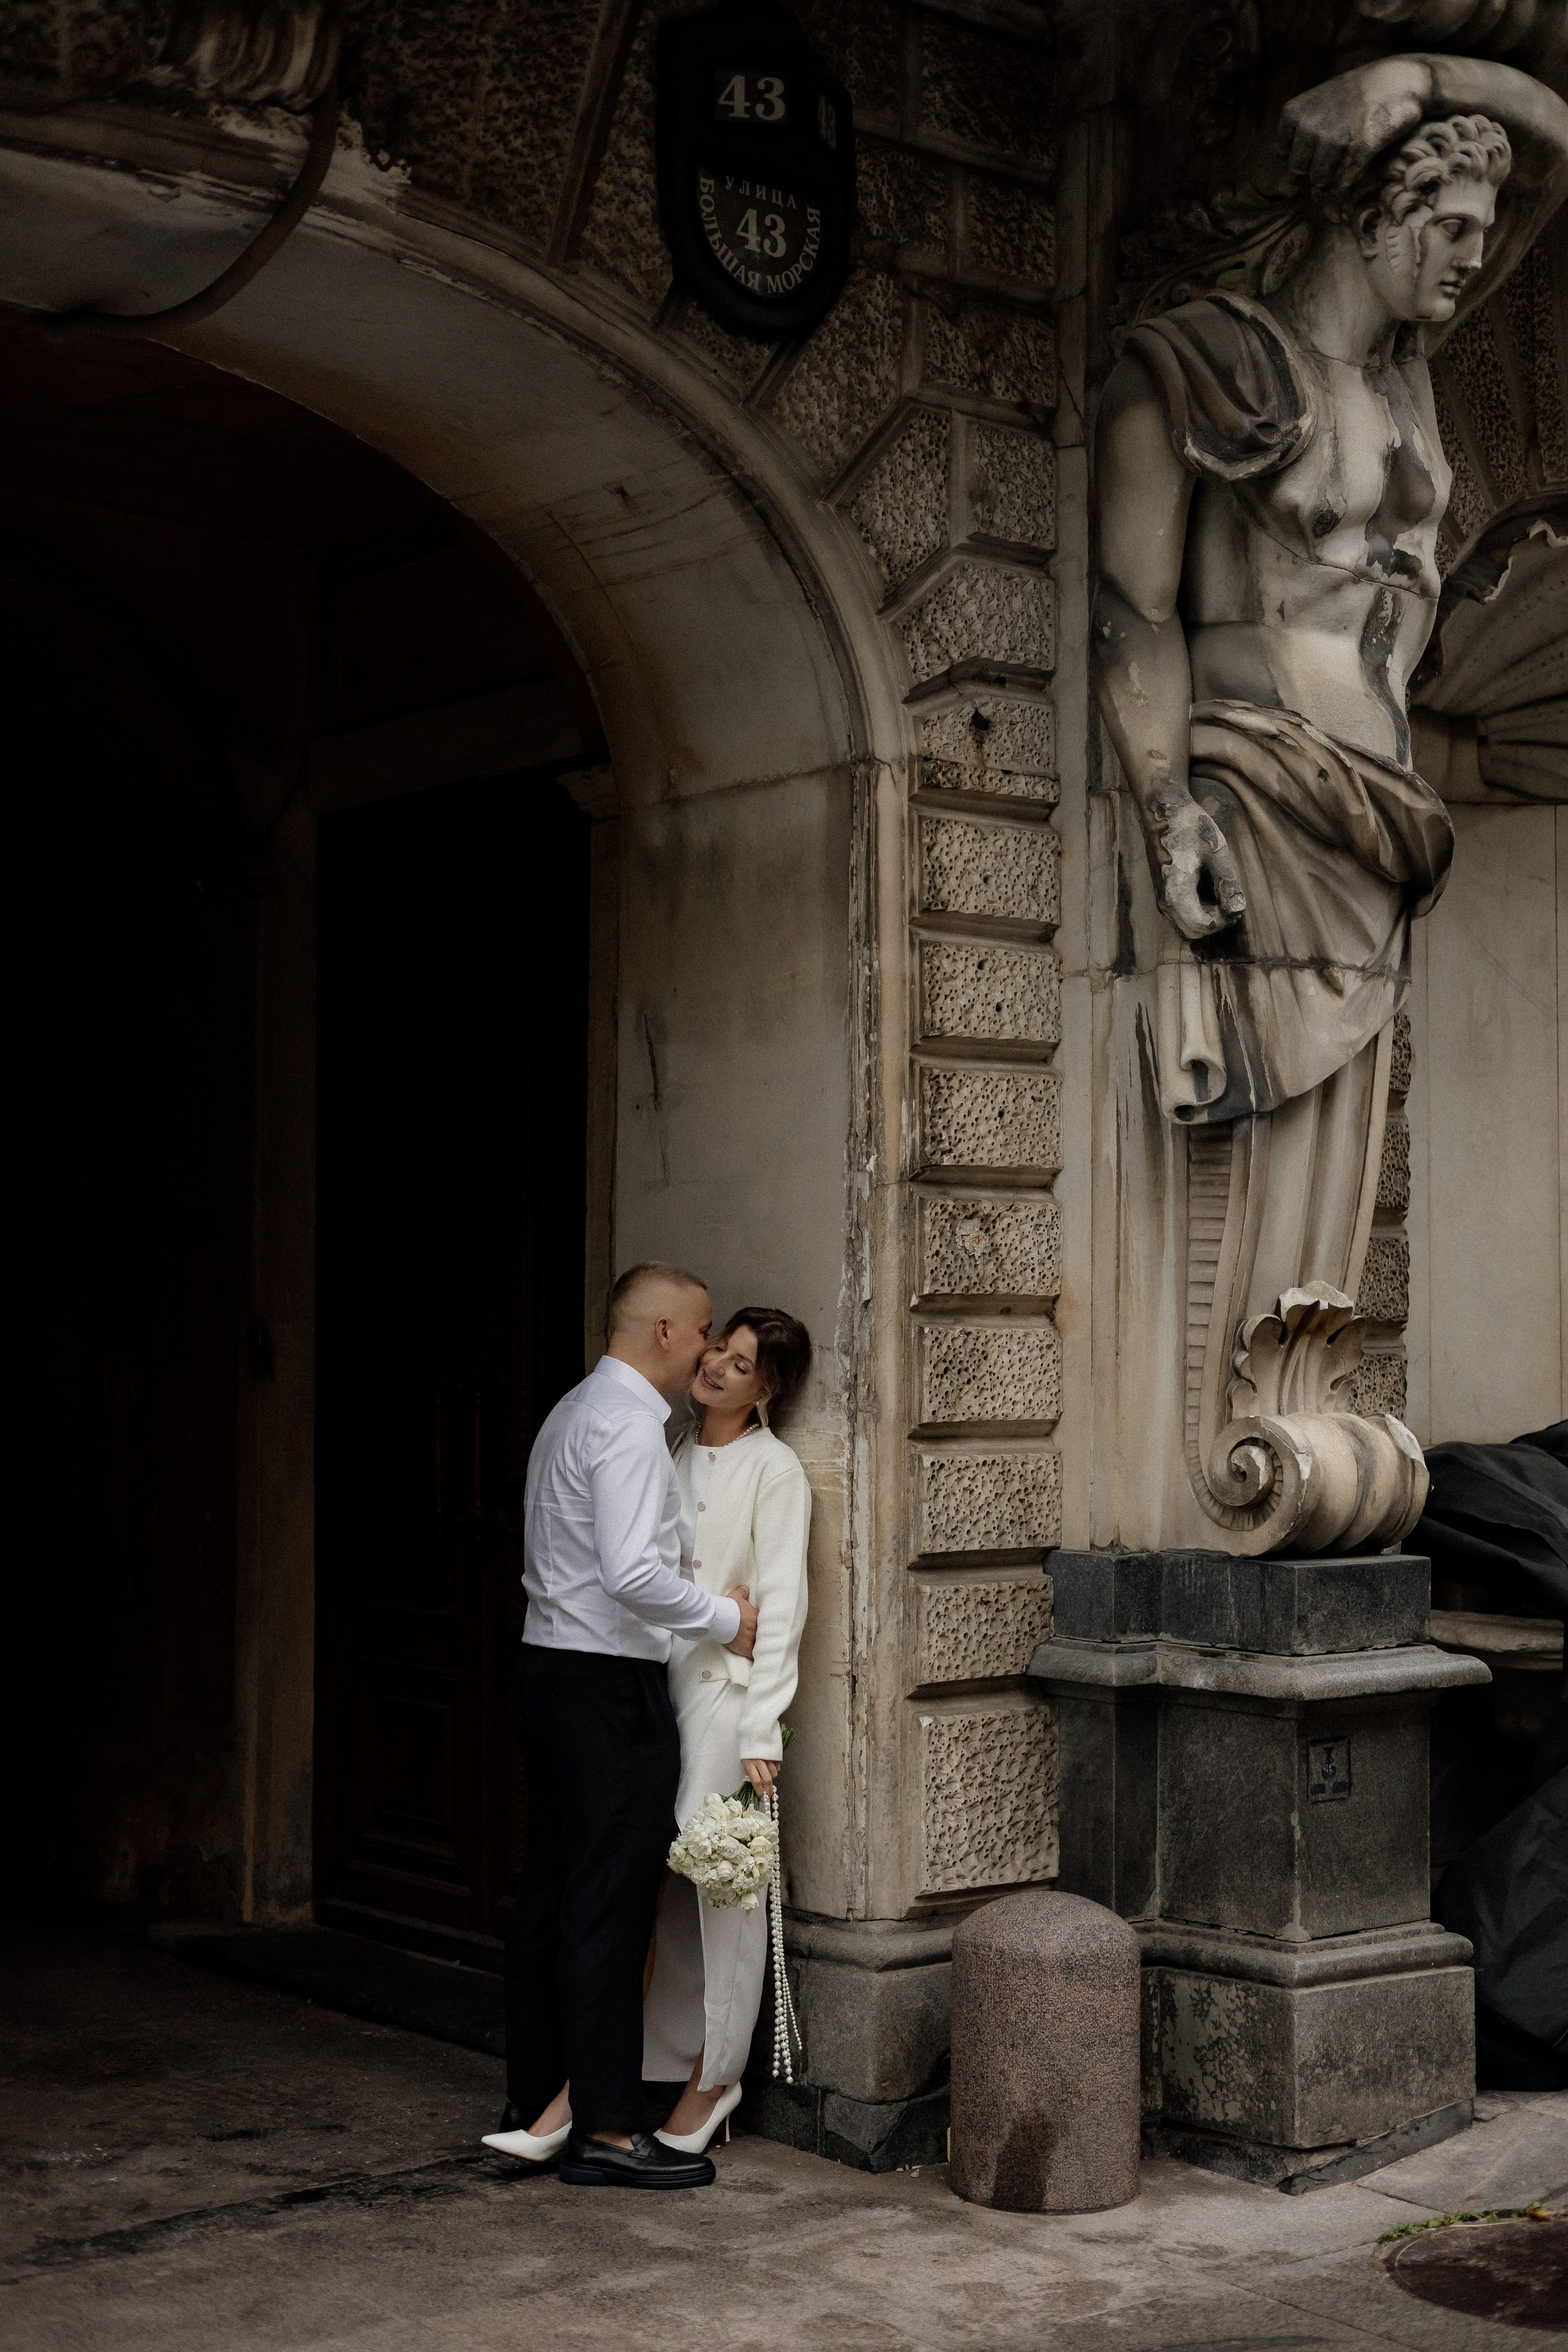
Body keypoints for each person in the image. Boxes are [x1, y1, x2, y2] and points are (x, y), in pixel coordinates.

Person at [1091, 52, 1568, 1545]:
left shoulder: (1409, 393)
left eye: (1492, 227)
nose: (1480, 252)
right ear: (1374, 209)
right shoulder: (1200, 360)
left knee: (1342, 1150)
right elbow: (1131, 615)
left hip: (1380, 809)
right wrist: (1166, 810)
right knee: (1261, 1138)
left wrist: (1459, 96)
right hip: (1254, 786)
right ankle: (1226, 1454)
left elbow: (1547, 147)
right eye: (1455, 222)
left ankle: (1288, 1411)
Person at [483, 1263, 758, 2191]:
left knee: (553, 1893)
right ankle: (604, 2129)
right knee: (608, 1902)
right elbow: (632, 1573)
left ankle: (534, 2103)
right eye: (706, 1328)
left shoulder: (572, 1410)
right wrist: (728, 1618)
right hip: (605, 1690)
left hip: (548, 1674)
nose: (713, 1347)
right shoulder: (633, 1427)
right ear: (668, 1334)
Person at [642, 1307, 813, 2154]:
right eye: (721, 1349)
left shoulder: (774, 1471)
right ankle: (663, 2060)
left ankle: (716, 2078)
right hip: (659, 1694)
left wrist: (763, 1730)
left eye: (742, 1365)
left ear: (767, 1388)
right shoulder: (673, 1450)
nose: (717, 1367)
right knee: (668, 1892)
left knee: (726, 1895)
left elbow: (780, 1607)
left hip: (724, 1703)